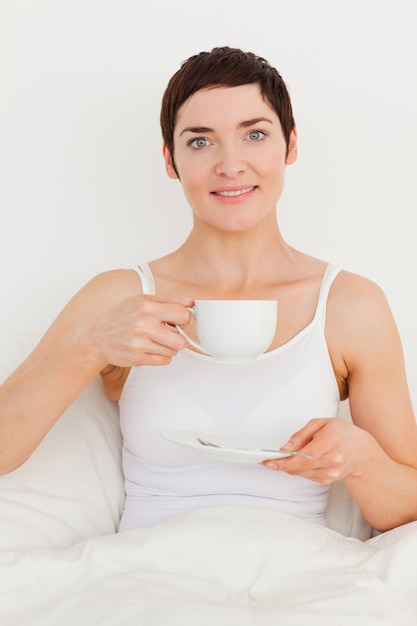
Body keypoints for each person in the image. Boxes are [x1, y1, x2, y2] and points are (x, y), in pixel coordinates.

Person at [1, 46, 417, 533]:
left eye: (255, 135)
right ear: (169, 159)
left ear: (291, 146)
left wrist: (363, 460)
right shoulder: (121, 297)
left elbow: (406, 506)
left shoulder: (350, 305)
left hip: (298, 578)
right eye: (201, 142)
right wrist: (87, 345)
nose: (231, 164)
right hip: (146, 579)